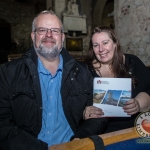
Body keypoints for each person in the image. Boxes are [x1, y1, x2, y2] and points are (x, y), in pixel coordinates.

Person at [0, 11, 107, 150]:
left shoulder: (83, 72)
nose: (49, 35)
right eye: (42, 30)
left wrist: (79, 138)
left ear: (62, 37)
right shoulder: (8, 72)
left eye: (55, 30)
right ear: (33, 36)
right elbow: (2, 124)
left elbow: (101, 112)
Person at [84, 26, 150, 133]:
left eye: (105, 43)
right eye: (96, 45)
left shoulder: (133, 62)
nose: (101, 49)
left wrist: (138, 104)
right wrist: (84, 111)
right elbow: (74, 104)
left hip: (135, 129)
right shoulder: (85, 70)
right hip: (101, 132)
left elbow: (148, 89)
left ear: (115, 44)